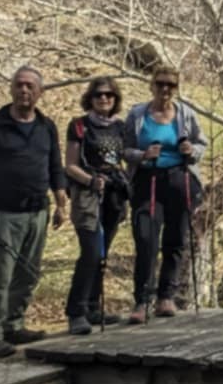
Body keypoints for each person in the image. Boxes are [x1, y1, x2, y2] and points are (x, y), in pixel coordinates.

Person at [0, 66, 69, 358]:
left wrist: (61, 204)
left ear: (40, 92)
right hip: (2, 214)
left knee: (28, 274)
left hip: (37, 212)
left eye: (30, 87)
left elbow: (55, 167)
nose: (24, 91)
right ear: (11, 89)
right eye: (19, 85)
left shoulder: (46, 126)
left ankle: (14, 324)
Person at [123, 66, 207, 323]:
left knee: (176, 238)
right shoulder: (138, 114)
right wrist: (142, 156)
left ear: (176, 88)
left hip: (179, 178)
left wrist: (191, 150)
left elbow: (201, 144)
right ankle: (142, 299)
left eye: (171, 85)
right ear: (152, 85)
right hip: (147, 179)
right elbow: (124, 149)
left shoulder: (185, 114)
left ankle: (166, 296)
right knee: (146, 238)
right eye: (160, 83)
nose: (165, 89)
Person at [63, 77, 131, 335]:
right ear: (90, 98)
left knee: (102, 253)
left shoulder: (120, 127)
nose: (104, 99)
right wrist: (90, 180)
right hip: (88, 195)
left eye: (109, 95)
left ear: (115, 99)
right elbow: (70, 164)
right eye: (98, 95)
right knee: (91, 251)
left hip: (114, 195)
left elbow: (124, 157)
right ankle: (76, 311)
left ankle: (93, 305)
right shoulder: (79, 126)